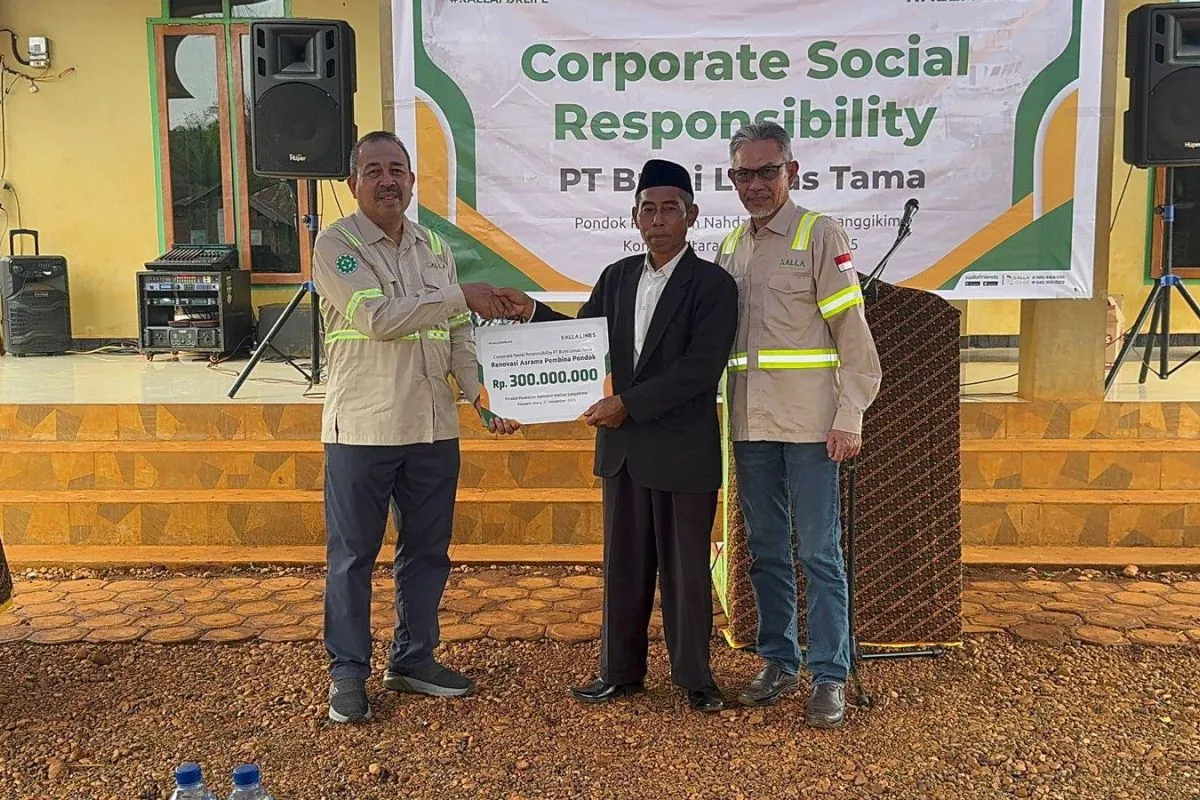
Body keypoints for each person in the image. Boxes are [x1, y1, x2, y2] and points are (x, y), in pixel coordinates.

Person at [496, 159, 738, 713]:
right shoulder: (617, 277)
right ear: (634, 216)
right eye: (648, 209)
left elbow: (701, 369)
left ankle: (696, 679)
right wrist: (531, 313)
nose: (658, 219)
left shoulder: (714, 285)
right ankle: (619, 672)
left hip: (682, 452)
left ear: (692, 216)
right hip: (624, 454)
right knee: (624, 568)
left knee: (686, 573)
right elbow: (581, 348)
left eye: (670, 209)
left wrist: (627, 404)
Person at [312, 130, 520, 724]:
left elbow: (457, 336)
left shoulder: (434, 247)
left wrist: (481, 397)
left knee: (428, 552)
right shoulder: (337, 244)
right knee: (353, 557)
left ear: (410, 180)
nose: (387, 180)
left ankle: (413, 659)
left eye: (397, 170)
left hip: (433, 429)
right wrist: (460, 296)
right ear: (354, 183)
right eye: (374, 170)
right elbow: (377, 319)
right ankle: (347, 673)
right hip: (363, 429)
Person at [716, 122, 881, 729]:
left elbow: (852, 335)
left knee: (818, 552)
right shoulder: (731, 246)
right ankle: (779, 661)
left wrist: (850, 415)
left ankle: (830, 674)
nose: (755, 184)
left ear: (791, 172)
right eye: (744, 174)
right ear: (732, 179)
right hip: (751, 425)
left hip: (813, 427)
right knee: (764, 551)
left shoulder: (819, 234)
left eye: (767, 171)